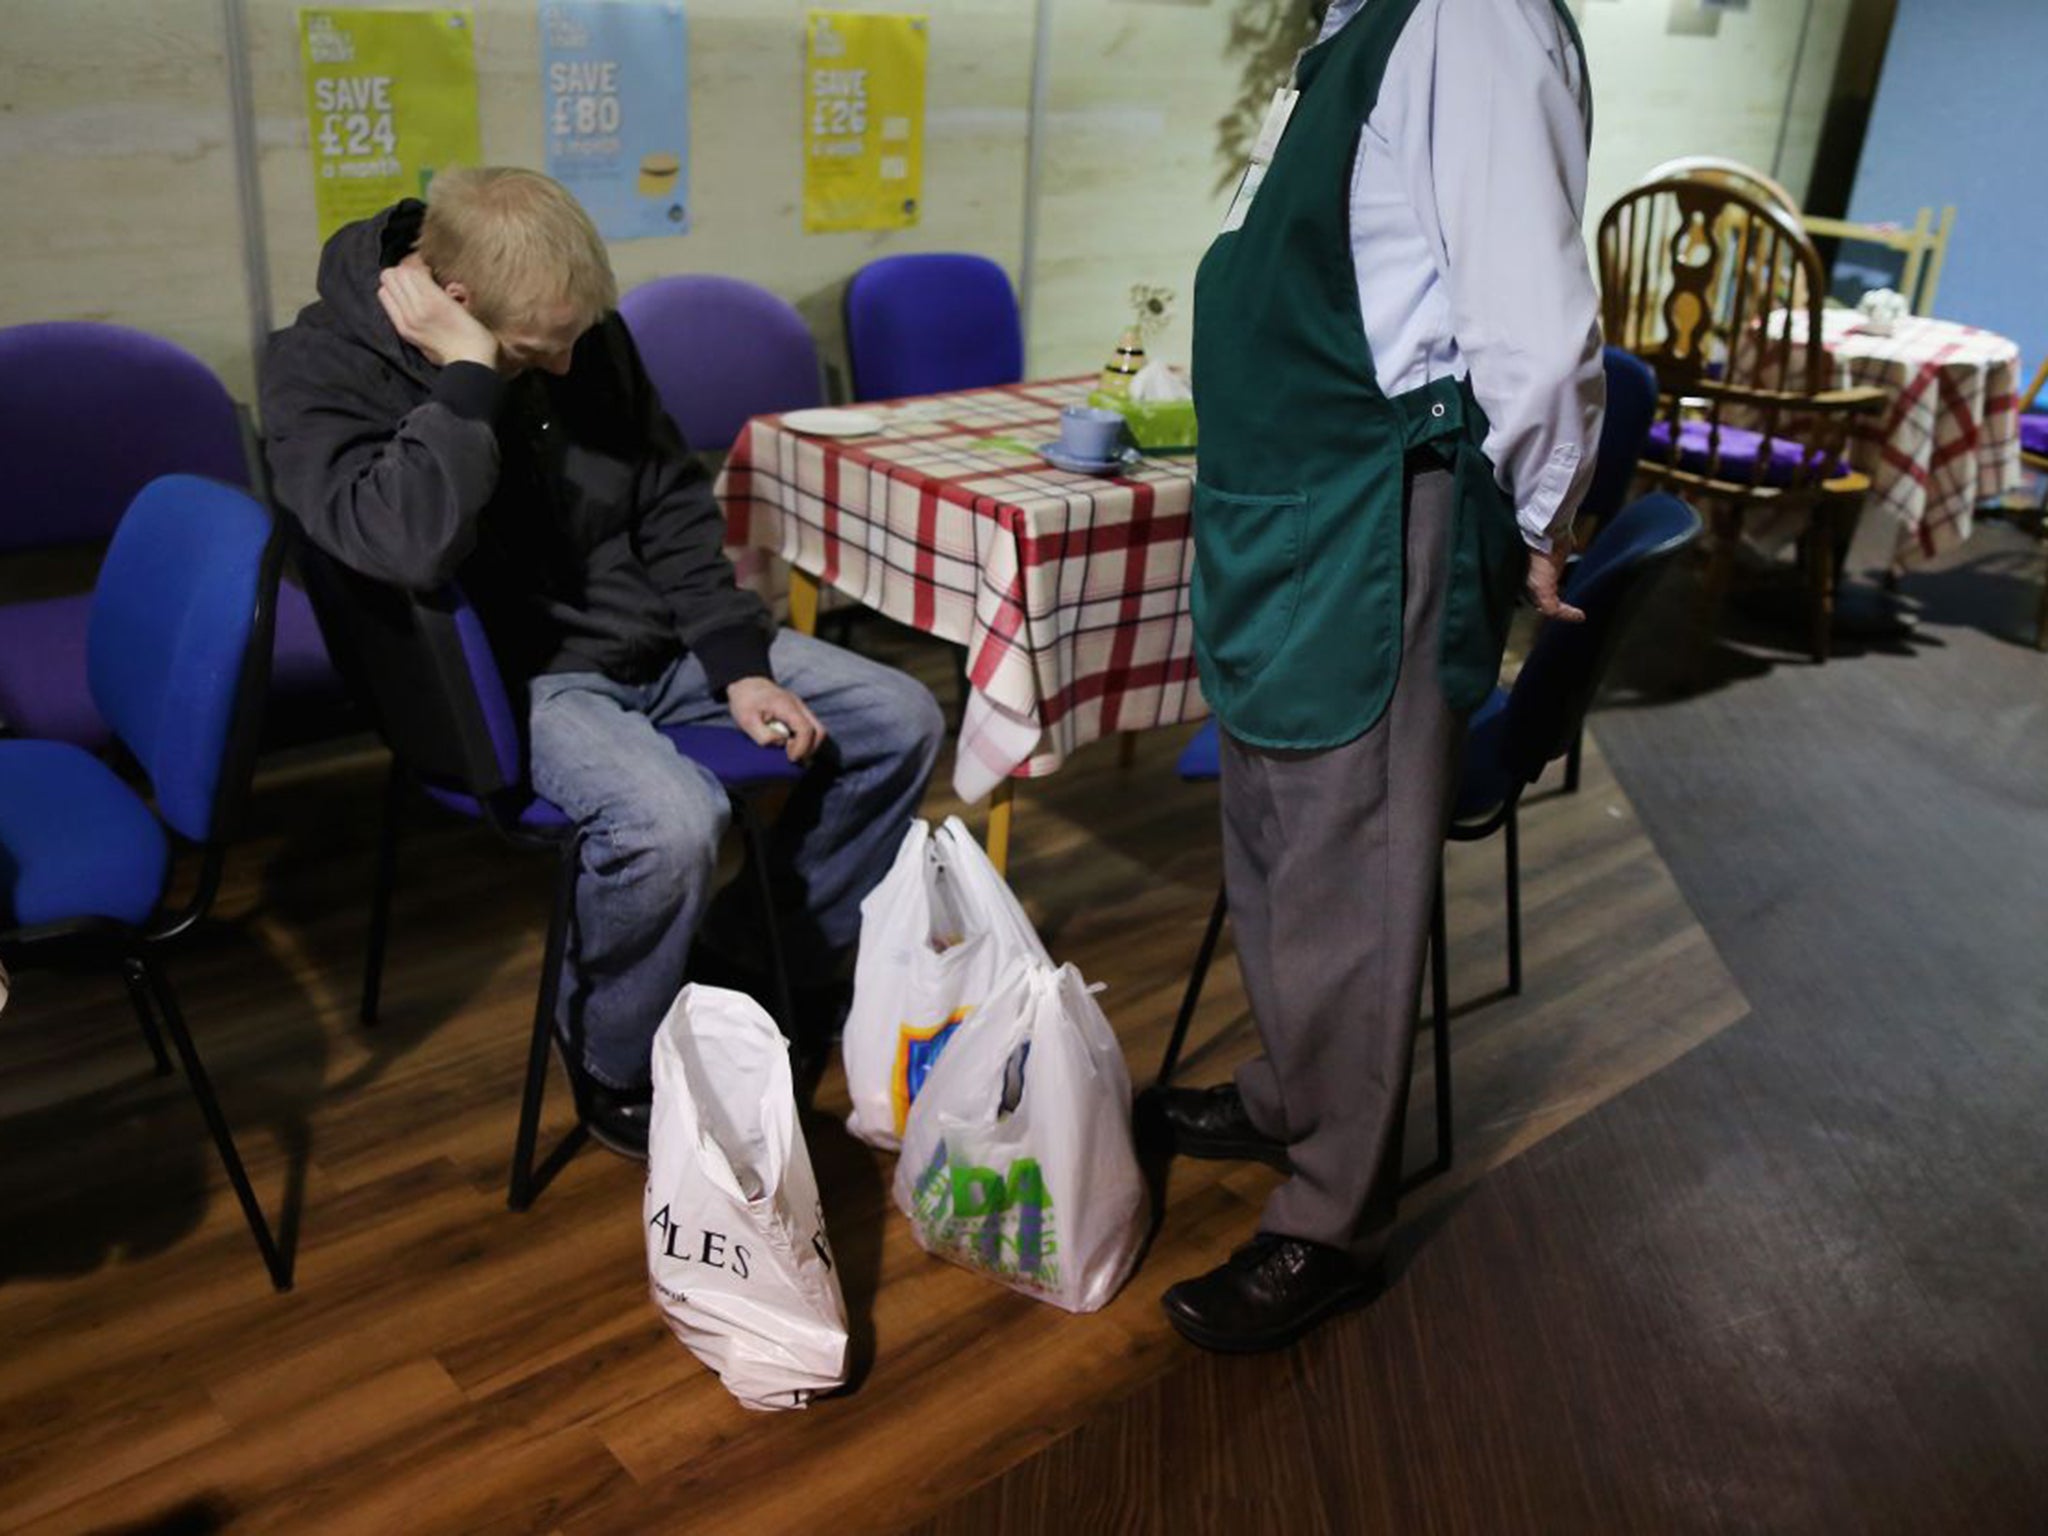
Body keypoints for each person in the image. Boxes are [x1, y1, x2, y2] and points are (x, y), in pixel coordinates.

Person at [262, 168, 945, 1156]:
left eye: (586, 330)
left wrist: (737, 662)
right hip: (507, 678)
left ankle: (757, 959)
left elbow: (667, 500)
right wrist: (468, 381)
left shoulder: (579, 332)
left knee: (898, 719)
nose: (577, 355)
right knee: (673, 822)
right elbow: (405, 543)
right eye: (550, 343)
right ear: (455, 304)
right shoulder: (320, 368)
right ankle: (607, 1050)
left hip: (652, 639)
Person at [1152, 0, 1605, 1351]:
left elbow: (1532, 318)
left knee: (1351, 875)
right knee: (1275, 842)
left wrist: (1540, 512)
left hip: (1365, 514)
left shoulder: (1473, 21)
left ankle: (1327, 1223)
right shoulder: (1351, 27)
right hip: (1280, 513)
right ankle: (1290, 1089)